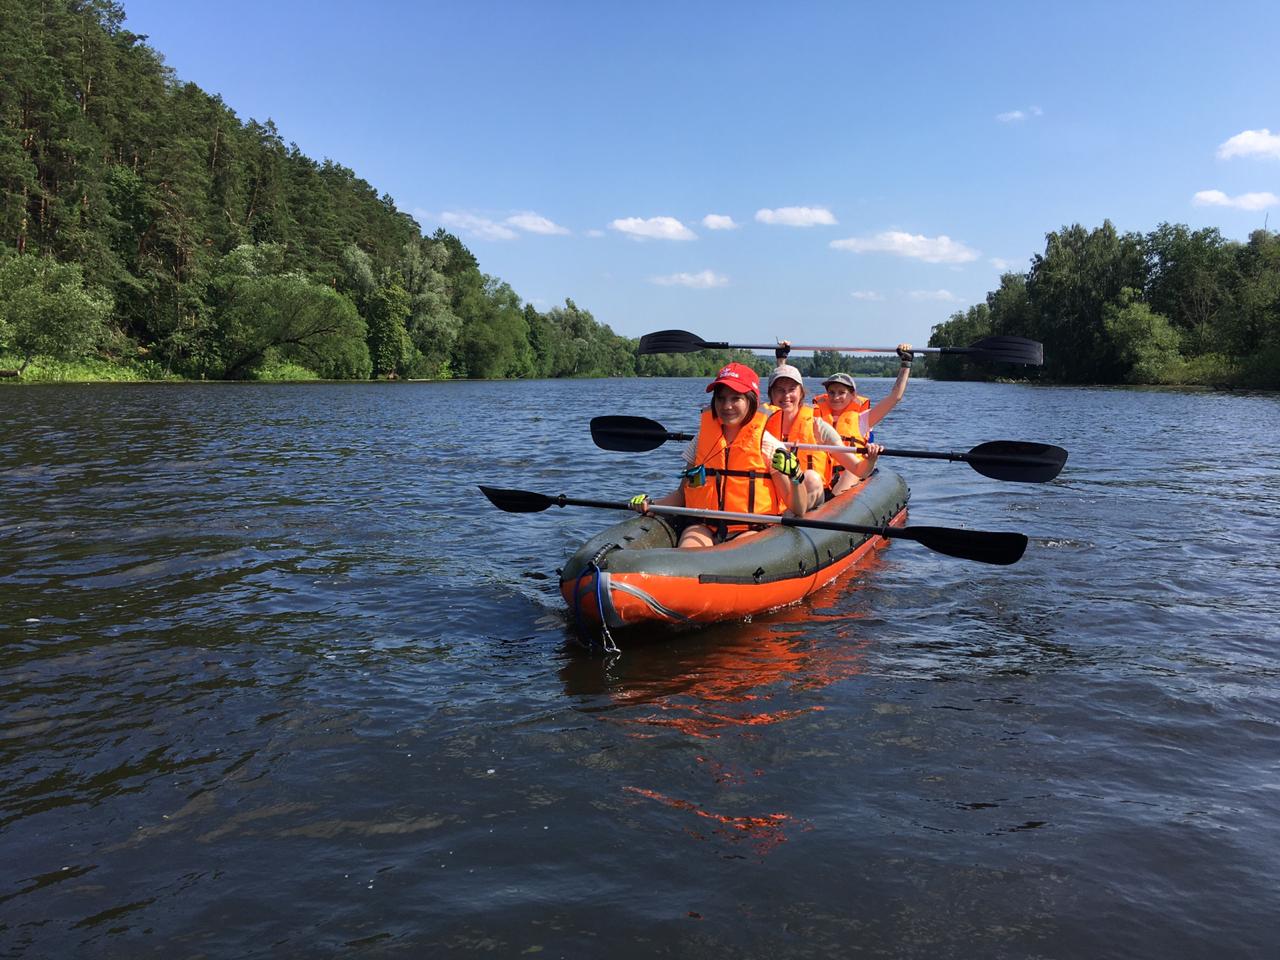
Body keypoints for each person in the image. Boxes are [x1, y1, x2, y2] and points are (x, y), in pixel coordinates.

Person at [627, 362, 809, 548]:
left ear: (751, 400)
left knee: (738, 552)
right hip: (704, 527)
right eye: (721, 398)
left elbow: (798, 508)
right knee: (689, 548)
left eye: (735, 398)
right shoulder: (700, 440)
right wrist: (652, 505)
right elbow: (683, 494)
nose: (727, 406)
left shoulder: (768, 444)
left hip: (751, 529)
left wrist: (796, 477)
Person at [764, 363, 878, 507]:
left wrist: (870, 460)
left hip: (806, 496)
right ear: (771, 394)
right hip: (770, 496)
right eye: (780, 390)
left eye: (792, 389)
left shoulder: (818, 427)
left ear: (801, 393)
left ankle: (792, 519)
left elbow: (858, 469)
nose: (786, 395)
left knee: (811, 477)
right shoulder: (760, 426)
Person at [808, 343, 913, 496]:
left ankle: (835, 503)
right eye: (831, 392)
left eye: (841, 392)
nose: (835, 397)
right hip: (821, 472)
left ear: (852, 395)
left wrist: (906, 364)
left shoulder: (863, 419)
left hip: (850, 471)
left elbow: (895, 397)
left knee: (847, 477)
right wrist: (782, 359)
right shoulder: (815, 418)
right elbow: (786, 402)